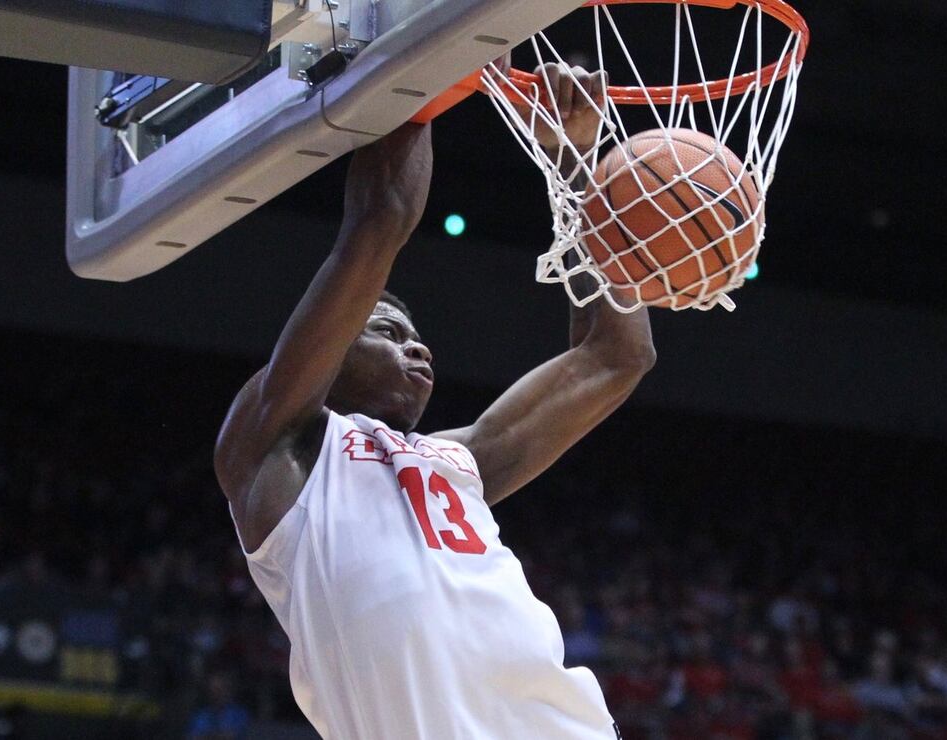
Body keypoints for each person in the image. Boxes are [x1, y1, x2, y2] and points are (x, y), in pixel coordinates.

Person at [213, 63, 652, 738]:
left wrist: (575, 163)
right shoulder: (277, 448)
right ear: (328, 351)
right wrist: (423, 55)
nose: (418, 350)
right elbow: (381, 218)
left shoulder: (457, 459)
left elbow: (617, 356)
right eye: (388, 332)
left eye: (417, 338)